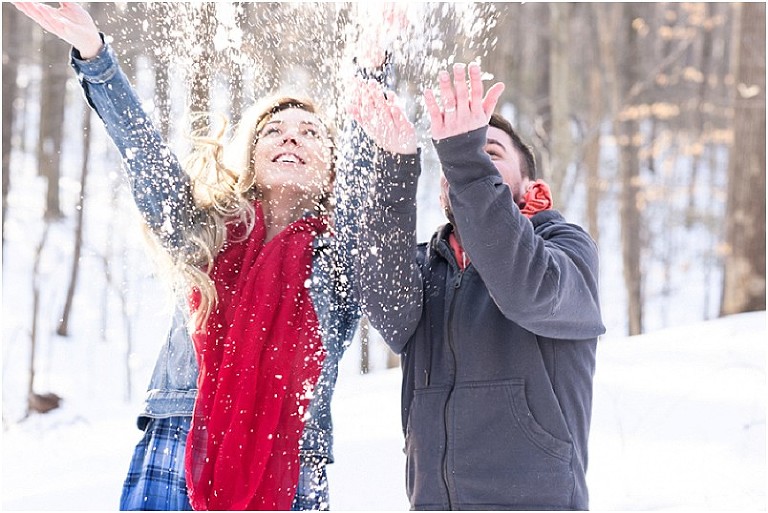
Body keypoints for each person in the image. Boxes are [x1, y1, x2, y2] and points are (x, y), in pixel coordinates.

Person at [14, 2, 379, 510]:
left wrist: (371, 69)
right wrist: (96, 55)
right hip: (181, 436)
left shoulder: (343, 257)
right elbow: (142, 153)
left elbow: (369, 173)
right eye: (273, 130)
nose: (291, 135)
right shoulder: (203, 230)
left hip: (289, 455)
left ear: (332, 168)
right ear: (251, 152)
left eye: (310, 132)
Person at [349, 62, 606, 510]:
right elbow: (389, 314)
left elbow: (528, 288)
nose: (472, 163)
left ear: (529, 183)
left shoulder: (565, 248)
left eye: (491, 153)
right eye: (462, 156)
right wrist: (394, 168)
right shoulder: (426, 265)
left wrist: (466, 158)